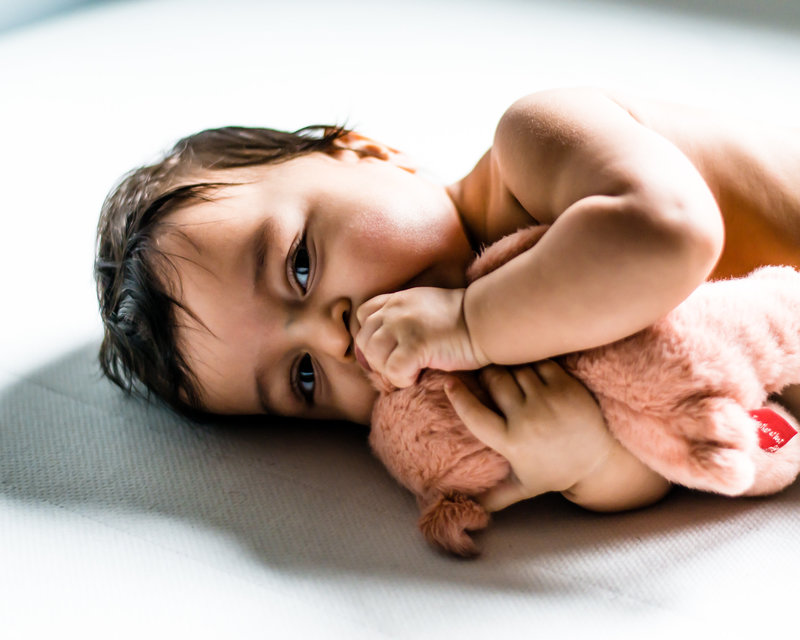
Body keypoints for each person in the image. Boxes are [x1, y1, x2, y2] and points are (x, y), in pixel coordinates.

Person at [95, 87, 800, 515]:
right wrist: (587, 463)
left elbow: (673, 232)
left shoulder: (531, 146)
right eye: (304, 375)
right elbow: (679, 444)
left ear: (368, 152)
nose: (337, 336)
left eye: (301, 266)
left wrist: (470, 324)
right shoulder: (491, 381)